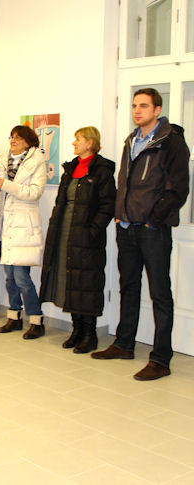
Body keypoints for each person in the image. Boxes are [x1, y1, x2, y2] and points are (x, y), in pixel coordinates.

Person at [92, 88, 190, 381]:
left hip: (152, 230)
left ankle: (160, 359)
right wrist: (119, 213)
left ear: (157, 110)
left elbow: (178, 189)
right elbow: (125, 182)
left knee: (160, 294)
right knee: (128, 287)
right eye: (135, 105)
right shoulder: (131, 140)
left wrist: (153, 220)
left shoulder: (171, 142)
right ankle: (124, 344)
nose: (137, 110)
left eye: (144, 106)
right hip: (126, 227)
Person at [39, 127, 115, 353]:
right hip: (65, 233)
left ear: (90, 143)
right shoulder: (71, 169)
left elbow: (108, 205)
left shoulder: (102, 171)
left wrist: (92, 230)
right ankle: (76, 330)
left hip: (87, 237)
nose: (74, 143)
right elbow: (61, 202)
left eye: (78, 139)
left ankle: (89, 334)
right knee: (70, 280)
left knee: (86, 283)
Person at [0, 125, 47, 338]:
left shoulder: (36, 161)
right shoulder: (3, 160)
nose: (13, 141)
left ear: (28, 142)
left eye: (18, 138)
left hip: (24, 226)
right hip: (5, 224)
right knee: (9, 278)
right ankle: (14, 316)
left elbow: (34, 193)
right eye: (11, 137)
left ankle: (36, 319)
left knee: (22, 278)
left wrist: (5, 184)